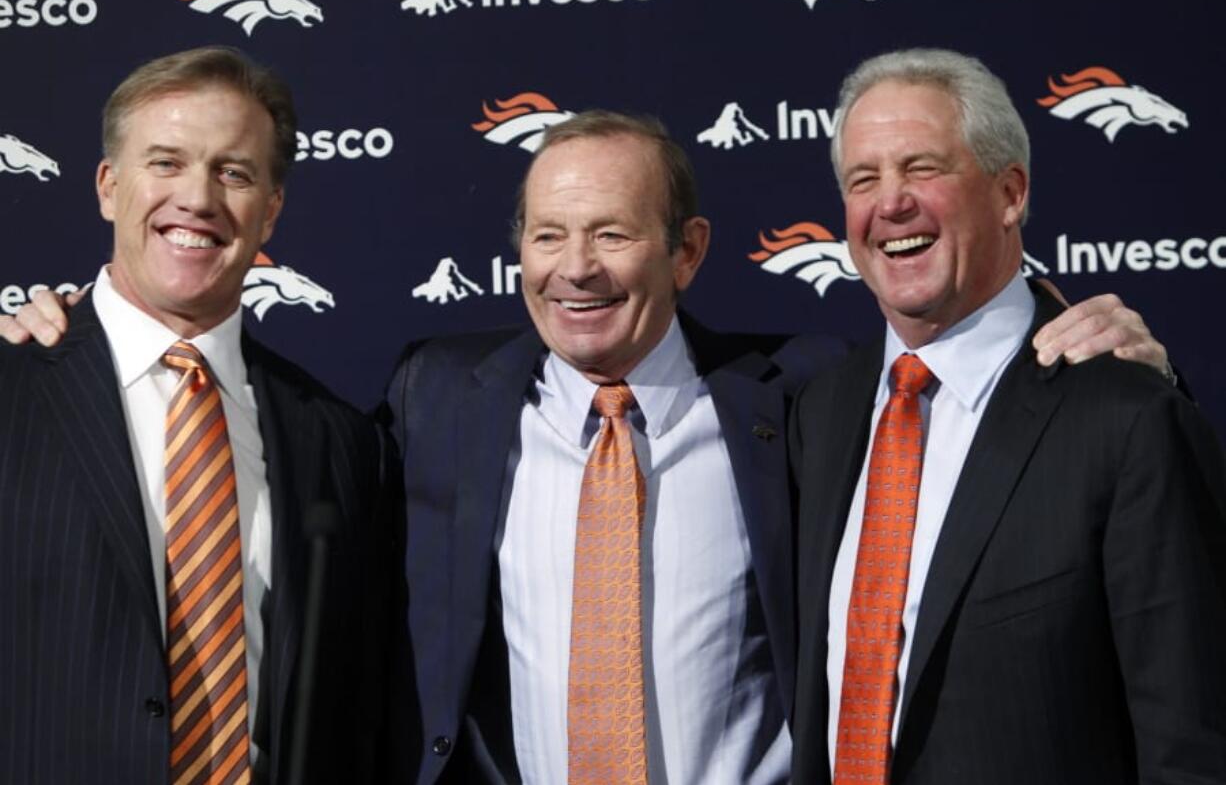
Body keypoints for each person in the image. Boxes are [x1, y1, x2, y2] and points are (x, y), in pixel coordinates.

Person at [3, 109, 1172, 784]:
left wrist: (1082, 330)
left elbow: (957, 382)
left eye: (613, 232)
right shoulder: (438, 396)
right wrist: (62, 336)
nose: (576, 269)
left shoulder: (805, 397)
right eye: (547, 234)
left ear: (687, 250)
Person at [789, 48, 1226, 785]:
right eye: (864, 179)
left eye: (922, 168)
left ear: (1010, 193)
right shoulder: (817, 411)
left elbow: (1191, 744)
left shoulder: (1127, 419)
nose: (890, 203)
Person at [0, 46, 397, 785]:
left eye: (234, 172)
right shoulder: (13, 385)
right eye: (166, 163)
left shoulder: (340, 440)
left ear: (270, 212)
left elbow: (362, 709)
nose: (198, 198)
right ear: (108, 187)